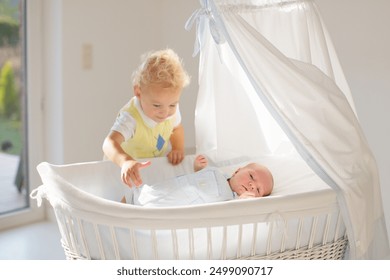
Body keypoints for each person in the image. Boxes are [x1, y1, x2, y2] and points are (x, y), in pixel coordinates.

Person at [103, 49, 190, 188]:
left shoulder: (170, 111)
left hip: (149, 167)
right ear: (138, 92)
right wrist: (125, 162)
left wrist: (177, 149)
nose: (165, 112)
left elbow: (177, 128)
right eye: (157, 105)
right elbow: (109, 143)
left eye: (173, 104)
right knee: (124, 201)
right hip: (121, 170)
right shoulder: (131, 118)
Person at [123, 155, 274, 207]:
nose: (252, 185)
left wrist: (243, 202)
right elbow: (201, 178)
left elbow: (227, 213)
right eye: (251, 177)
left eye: (258, 190)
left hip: (170, 206)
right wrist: (198, 168)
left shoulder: (232, 200)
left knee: (150, 210)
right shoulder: (217, 172)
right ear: (237, 171)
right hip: (167, 188)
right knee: (137, 195)